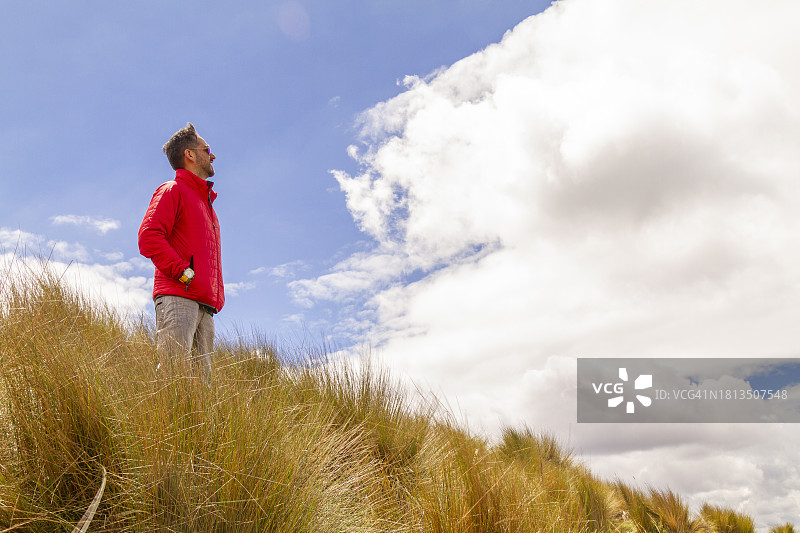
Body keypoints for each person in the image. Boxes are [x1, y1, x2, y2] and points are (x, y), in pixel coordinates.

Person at [138, 123, 224, 379]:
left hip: (205, 305)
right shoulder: (172, 190)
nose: (213, 155)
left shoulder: (205, 203)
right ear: (189, 154)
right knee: (173, 376)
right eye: (207, 149)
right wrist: (183, 272)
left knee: (202, 388)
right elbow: (148, 237)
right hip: (179, 296)